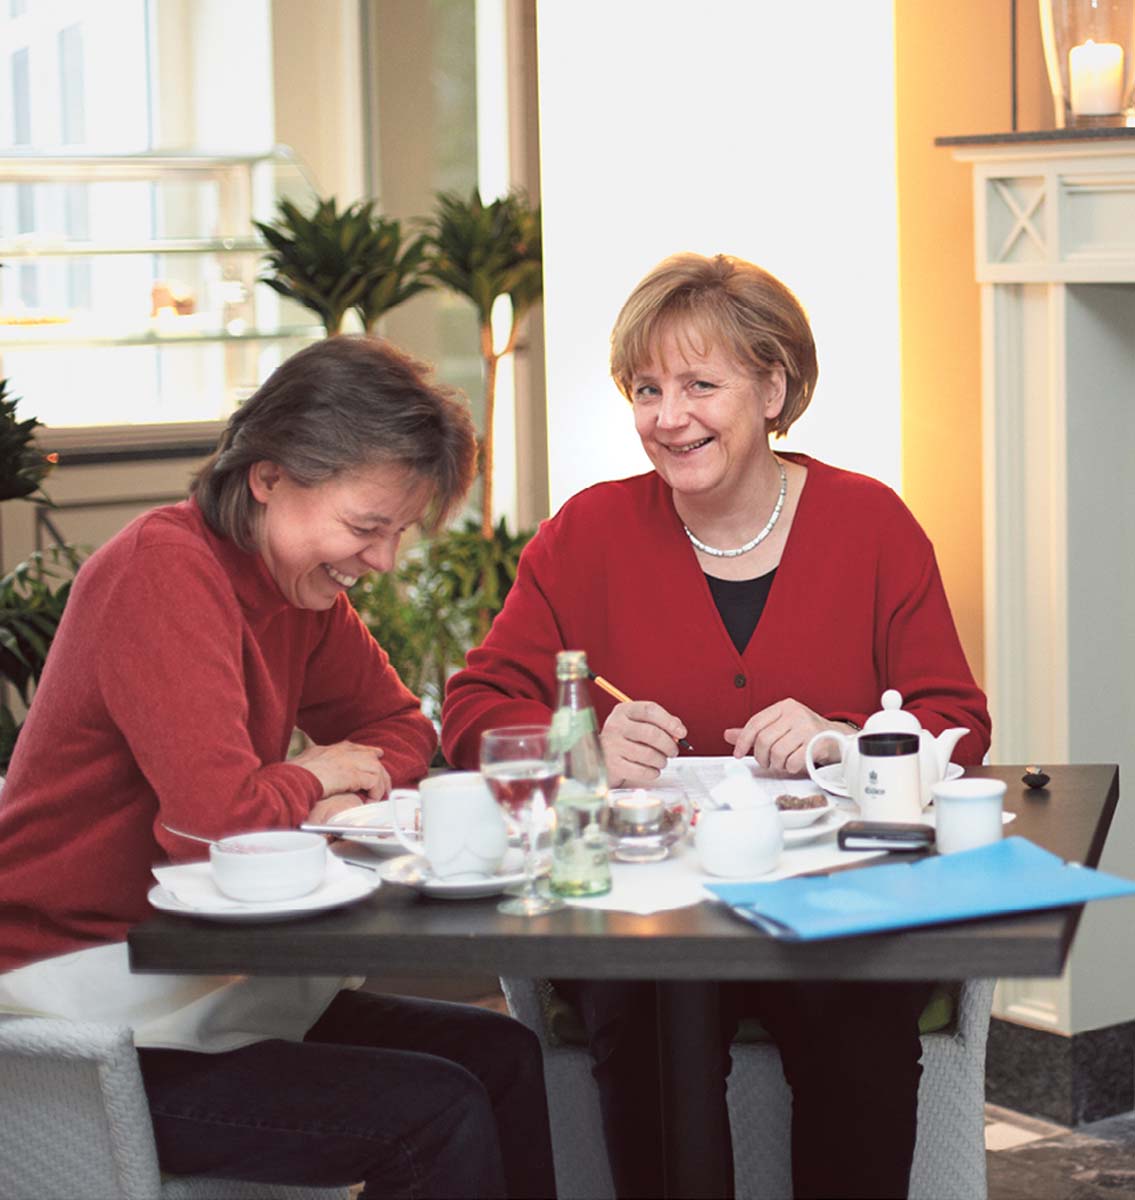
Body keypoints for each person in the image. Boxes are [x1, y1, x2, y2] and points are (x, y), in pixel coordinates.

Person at [442, 253, 991, 1199]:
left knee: (859, 1014)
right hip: (647, 912)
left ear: (772, 387)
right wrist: (582, 744)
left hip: (830, 910)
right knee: (649, 1004)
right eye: (646, 388)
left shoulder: (872, 524)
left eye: (700, 384)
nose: (667, 415)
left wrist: (838, 739)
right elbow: (475, 708)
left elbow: (956, 724)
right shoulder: (587, 533)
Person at [0, 335, 556, 1199]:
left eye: (396, 533)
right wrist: (311, 776)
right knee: (436, 1108)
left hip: (194, 985)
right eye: (367, 527)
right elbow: (212, 830)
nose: (380, 561)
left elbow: (400, 726)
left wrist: (318, 776)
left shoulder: (298, 587)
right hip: (80, 1009)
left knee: (506, 1053)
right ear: (268, 477)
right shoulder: (166, 571)